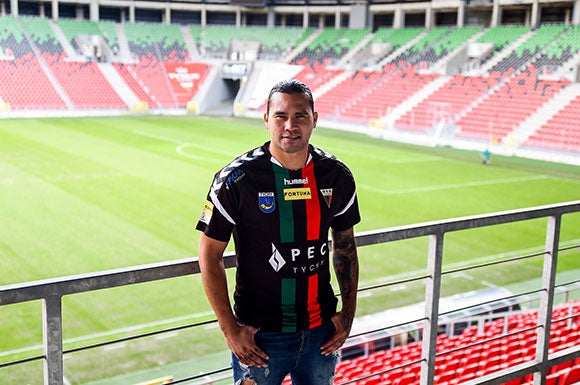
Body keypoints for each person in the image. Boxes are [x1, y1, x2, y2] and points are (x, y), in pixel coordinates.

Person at [196, 79, 360, 385]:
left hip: (321, 333)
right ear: (266, 119)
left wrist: (348, 314)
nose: (290, 125)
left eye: (300, 115)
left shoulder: (336, 176)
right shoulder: (236, 180)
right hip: (259, 337)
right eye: (280, 116)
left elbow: (345, 247)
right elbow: (209, 254)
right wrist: (230, 329)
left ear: (315, 119)